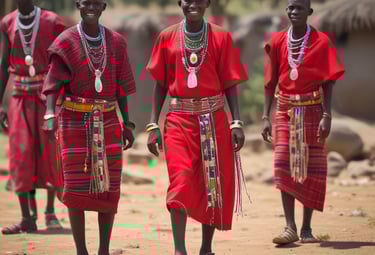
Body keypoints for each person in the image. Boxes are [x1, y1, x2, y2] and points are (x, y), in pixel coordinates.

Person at [146, 0, 248, 254]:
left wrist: (236, 121)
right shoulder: (166, 37)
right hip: (179, 120)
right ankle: (180, 249)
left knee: (210, 184)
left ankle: (206, 248)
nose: (193, 3)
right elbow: (160, 84)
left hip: (213, 119)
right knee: (179, 182)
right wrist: (152, 124)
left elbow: (230, 83)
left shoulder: (221, 37)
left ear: (208, 3)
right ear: (180, 3)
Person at [42, 0, 136, 254]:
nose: (91, 7)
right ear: (78, 5)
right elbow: (52, 83)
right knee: (75, 188)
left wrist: (126, 121)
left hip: (107, 121)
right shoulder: (65, 42)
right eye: (86, 2)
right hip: (73, 121)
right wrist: (50, 114)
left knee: (109, 187)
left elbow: (120, 88)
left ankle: (103, 249)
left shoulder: (116, 42)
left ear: (104, 6)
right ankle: (81, 250)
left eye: (96, 3)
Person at [262, 0, 345, 245]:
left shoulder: (321, 42)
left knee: (310, 168)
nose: (293, 11)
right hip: (285, 110)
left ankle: (307, 228)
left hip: (312, 109)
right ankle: (290, 227)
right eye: (290, 7)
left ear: (309, 11)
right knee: (283, 165)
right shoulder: (277, 41)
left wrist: (326, 115)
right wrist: (266, 116)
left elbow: (329, 80)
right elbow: (270, 81)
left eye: (299, 7)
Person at [0, 0, 65, 234]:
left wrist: (62, 97)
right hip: (19, 98)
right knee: (21, 154)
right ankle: (27, 217)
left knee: (48, 153)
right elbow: (2, 64)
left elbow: (62, 60)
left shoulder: (51, 21)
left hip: (46, 96)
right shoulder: (7, 23)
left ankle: (50, 213)